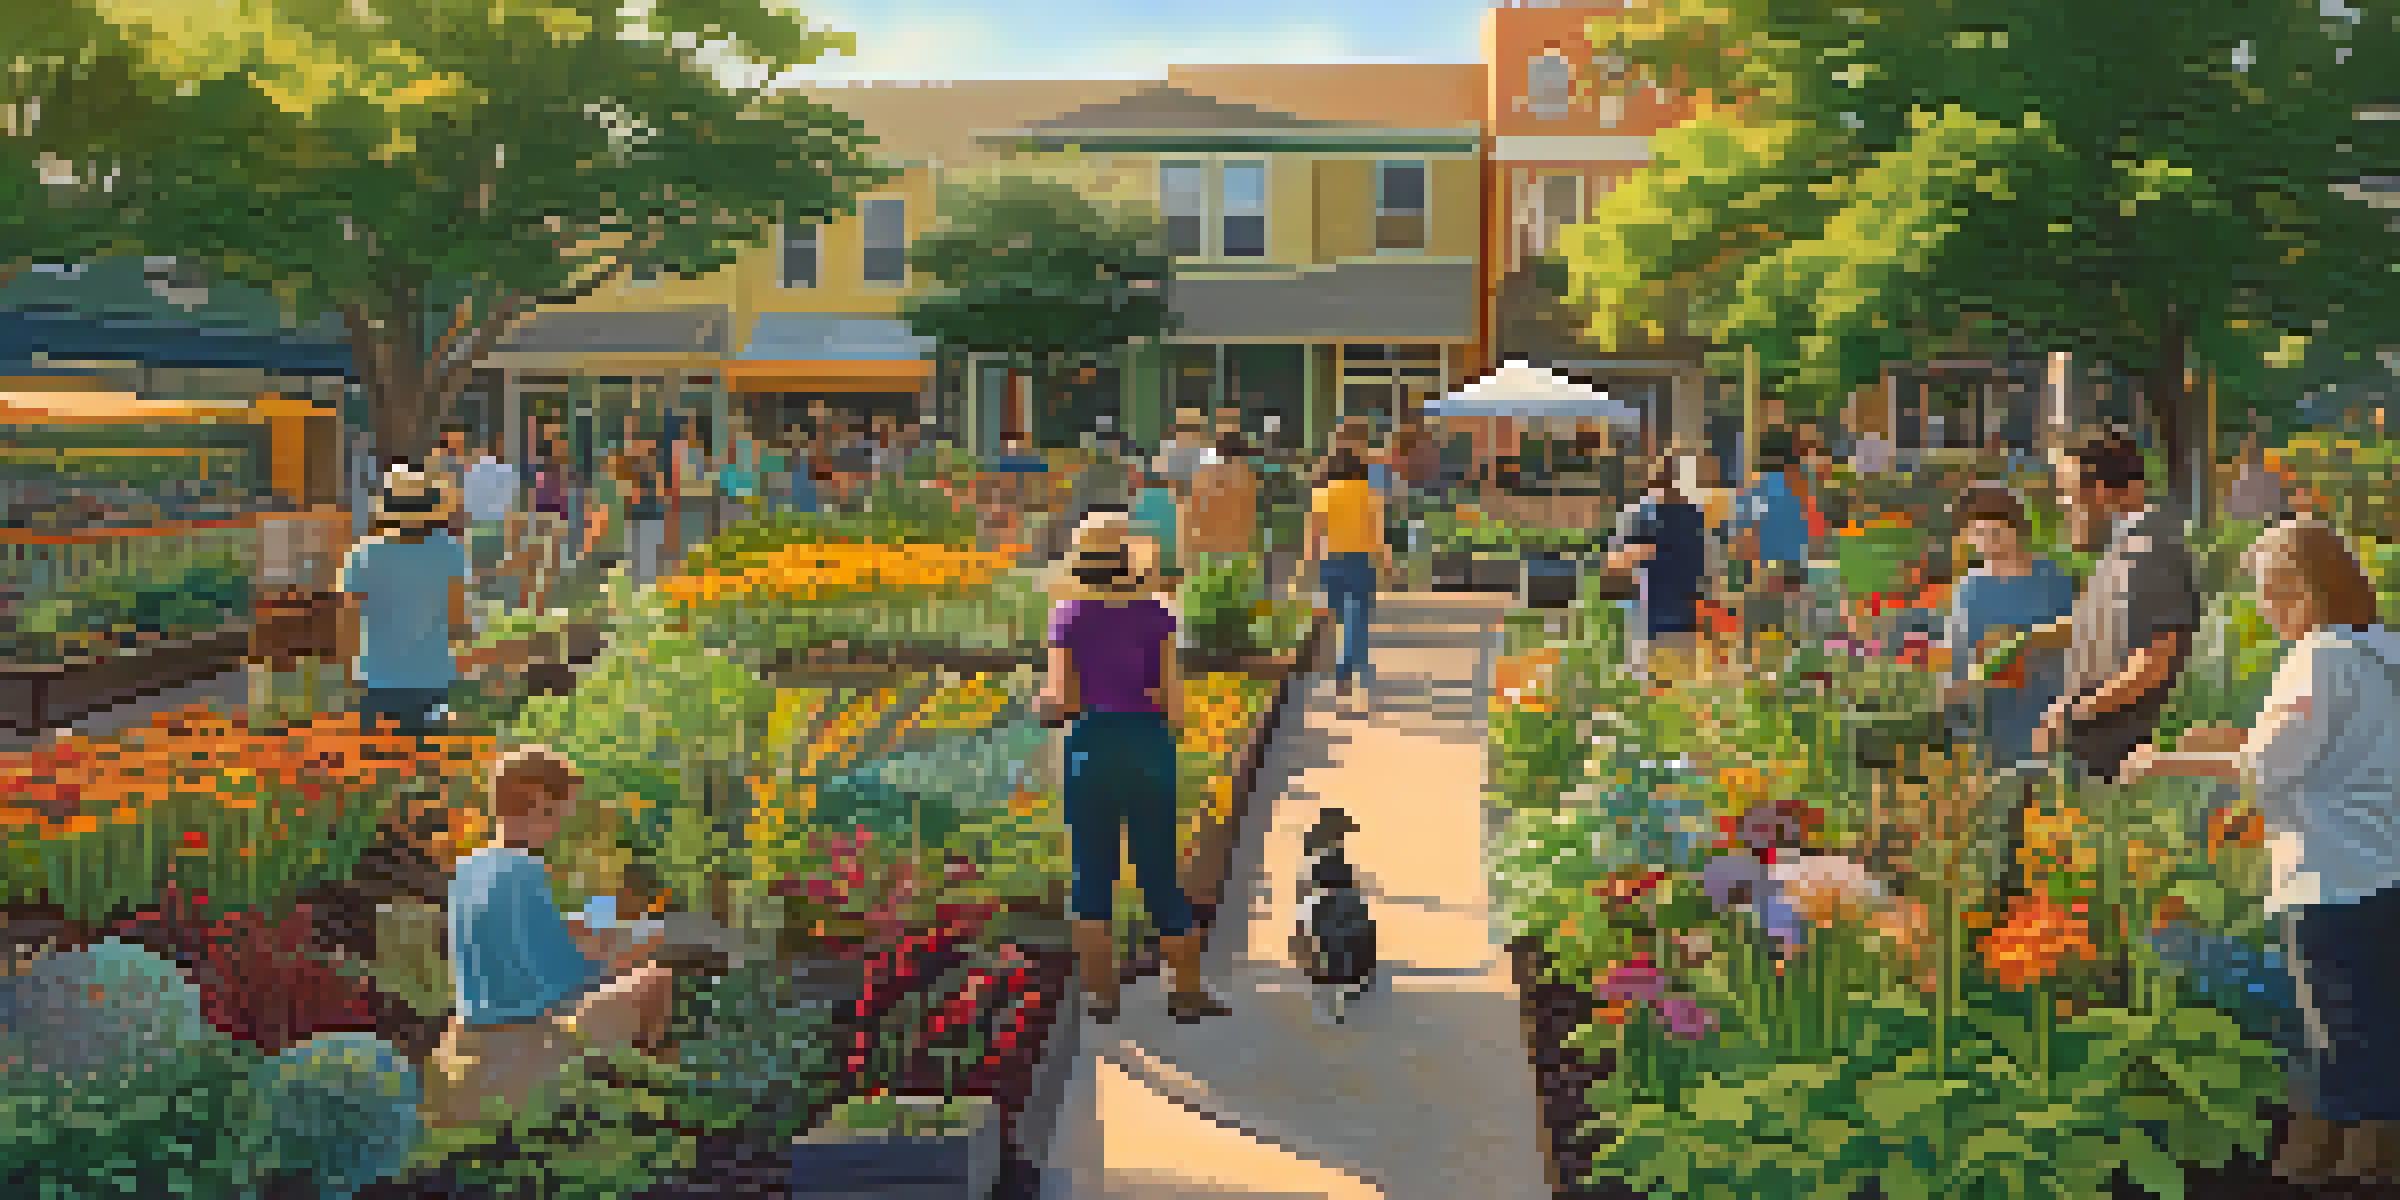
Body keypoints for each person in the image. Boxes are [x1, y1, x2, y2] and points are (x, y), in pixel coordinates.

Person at [2118, 517, 2400, 1184]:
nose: (2269, 608)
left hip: (2326, 869)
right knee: (2374, 1013)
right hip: (2383, 861)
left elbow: (2269, 767)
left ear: (2319, 590)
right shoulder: (2380, 648)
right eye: (2265, 593)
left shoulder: (2318, 657)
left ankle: (2352, 1163)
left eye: (2280, 593)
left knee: (2330, 1023)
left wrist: (2162, 763)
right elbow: (2330, 746)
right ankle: (2371, 1154)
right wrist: (2233, 740)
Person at [1040, 511, 1229, 1025]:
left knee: (1093, 873)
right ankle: (1185, 994)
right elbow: (1176, 704)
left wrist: (1046, 706)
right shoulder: (1157, 615)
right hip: (1148, 744)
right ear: (1131, 564)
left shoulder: (1069, 616)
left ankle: (1103, 999)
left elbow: (1061, 699)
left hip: (1091, 746)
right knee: (1160, 873)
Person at [428, 745, 676, 1126]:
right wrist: (615, 958)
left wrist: (583, 929)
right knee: (655, 979)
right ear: (538, 802)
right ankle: (636, 1096)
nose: (561, 825)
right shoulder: (522, 870)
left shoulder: (471, 869)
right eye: (559, 814)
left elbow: (513, 933)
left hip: (479, 1017)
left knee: (623, 954)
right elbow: (561, 978)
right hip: (525, 1030)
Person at [2028, 430, 2202, 782]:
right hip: (2105, 757)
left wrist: (2071, 713)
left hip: (2123, 764)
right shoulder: (2127, 547)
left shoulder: (2149, 551)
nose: (2062, 505)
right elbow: (2111, 624)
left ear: (2105, 493)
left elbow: (2152, 665)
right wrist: (2024, 642)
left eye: (2068, 492)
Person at [336, 465, 472, 743]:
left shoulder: (363, 554)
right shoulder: (450, 552)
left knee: (377, 775)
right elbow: (458, 622)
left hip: (376, 680)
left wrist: (350, 674)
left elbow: (348, 621)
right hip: (432, 680)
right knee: (432, 771)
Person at [1307, 447, 1395, 716]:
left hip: (1330, 563)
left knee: (1342, 621)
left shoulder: (1321, 493)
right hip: (1361, 563)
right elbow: (1378, 532)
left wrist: (1310, 564)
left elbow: (1314, 533)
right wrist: (1387, 562)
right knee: (1358, 622)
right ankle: (1354, 676)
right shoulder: (1370, 494)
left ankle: (1346, 675)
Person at [1608, 459, 1709, 681]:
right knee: (1675, 693)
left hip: (1659, 623)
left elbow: (1616, 565)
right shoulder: (1691, 515)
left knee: (1657, 692)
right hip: (1670, 620)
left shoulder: (1643, 513)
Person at [1728, 430, 1816, 660]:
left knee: (1754, 644)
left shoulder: (1756, 491)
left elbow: (1744, 537)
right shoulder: (1802, 489)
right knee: (1793, 642)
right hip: (1795, 570)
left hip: (1763, 570)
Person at [462, 436, 519, 631]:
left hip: (476, 527)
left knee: (476, 578)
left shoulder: (470, 472)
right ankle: (505, 617)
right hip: (499, 528)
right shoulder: (508, 472)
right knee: (499, 574)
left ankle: (478, 623)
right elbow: (512, 507)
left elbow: (466, 506)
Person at [618, 440, 670, 589]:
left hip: (650, 518)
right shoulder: (634, 474)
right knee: (639, 557)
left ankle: (644, 586)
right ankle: (640, 586)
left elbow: (661, 496)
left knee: (647, 558)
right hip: (640, 518)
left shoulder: (655, 474)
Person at [2226, 431, 2292, 523]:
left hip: (2269, 521)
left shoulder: (2271, 476)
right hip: (2255, 521)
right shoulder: (2240, 478)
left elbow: (2281, 504)